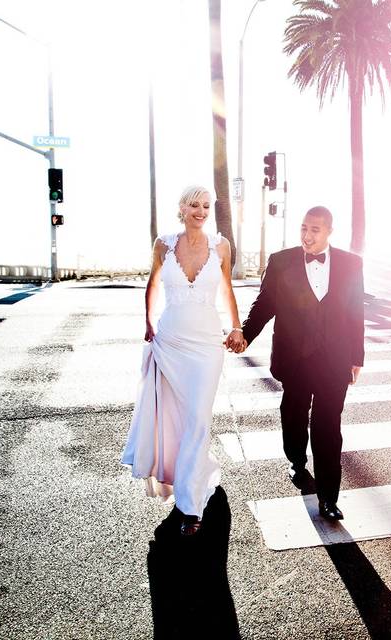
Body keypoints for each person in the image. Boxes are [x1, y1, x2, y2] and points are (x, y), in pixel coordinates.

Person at [226, 206, 365, 520]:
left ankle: (329, 498)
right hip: (296, 358)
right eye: (303, 228)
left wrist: (357, 356)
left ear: (329, 231)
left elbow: (356, 311)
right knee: (293, 412)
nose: (307, 235)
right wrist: (245, 334)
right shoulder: (281, 261)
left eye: (314, 230)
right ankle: (297, 460)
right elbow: (265, 304)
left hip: (334, 360)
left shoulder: (351, 264)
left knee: (328, 427)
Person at [121, 185, 244, 536]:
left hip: (207, 344)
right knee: (179, 417)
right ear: (182, 208)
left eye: (206, 205)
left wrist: (236, 326)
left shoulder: (221, 246)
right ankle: (194, 474)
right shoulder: (164, 244)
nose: (201, 211)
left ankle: (190, 508)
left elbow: (226, 289)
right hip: (171, 340)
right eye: (194, 204)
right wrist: (146, 319)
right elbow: (153, 283)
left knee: (198, 416)